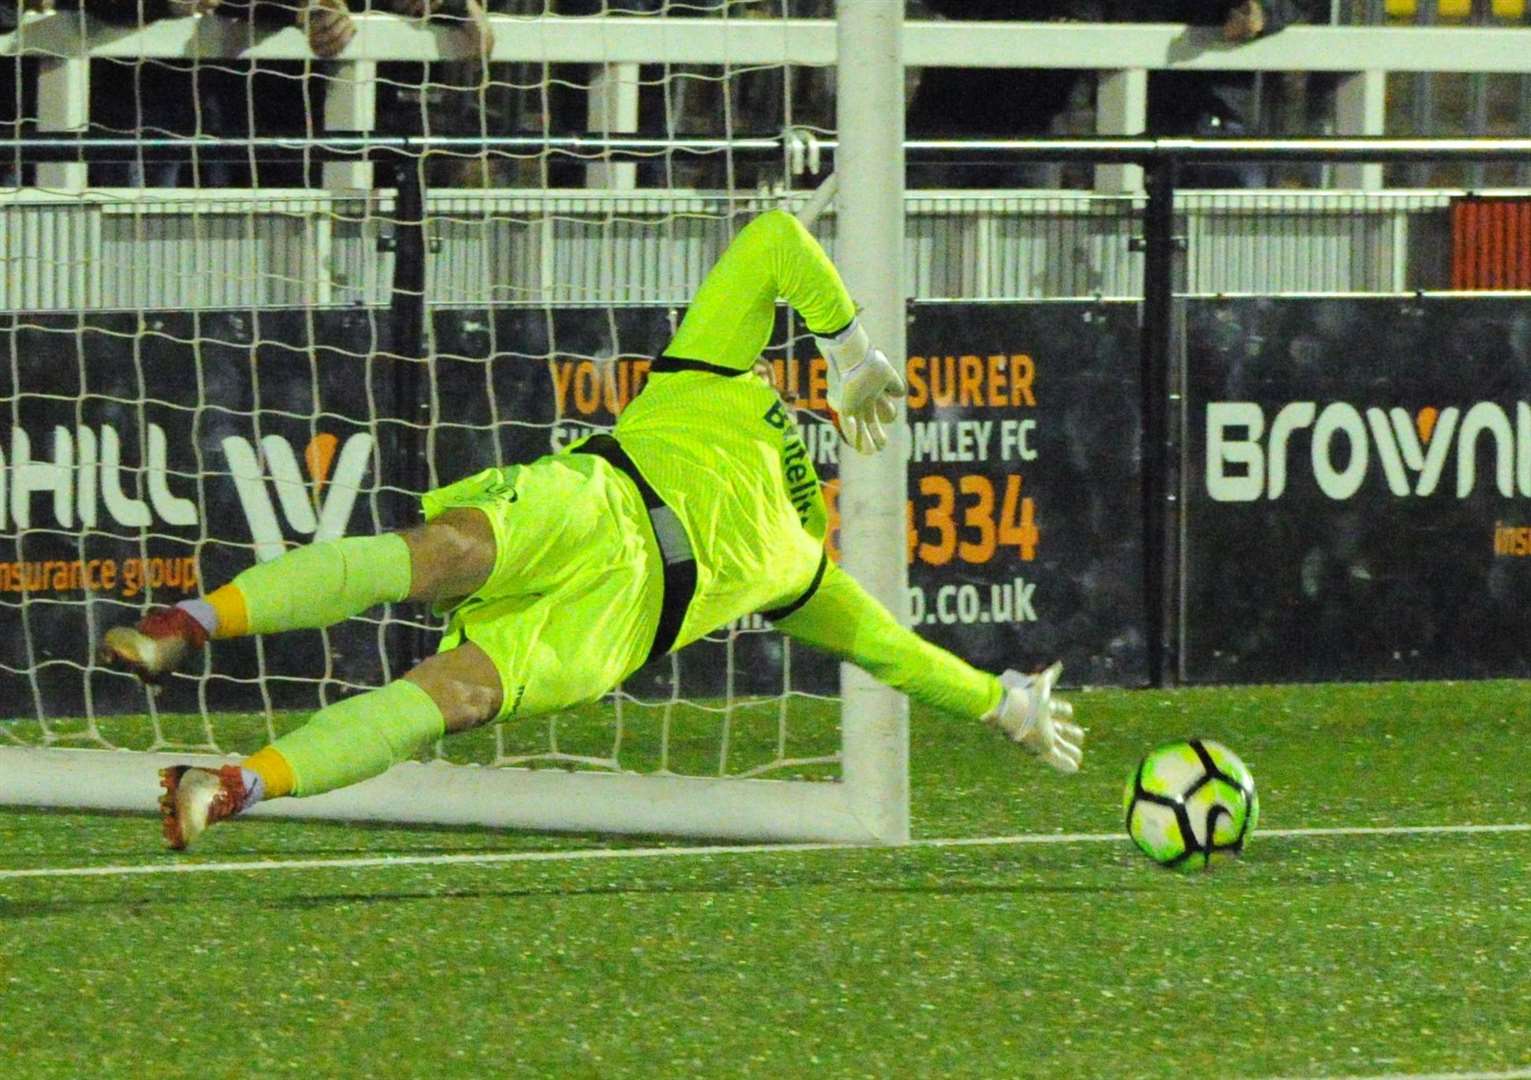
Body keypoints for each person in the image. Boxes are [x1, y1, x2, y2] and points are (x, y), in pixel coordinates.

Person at [100, 209, 1084, 850]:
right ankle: (183, 624)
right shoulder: (714, 379)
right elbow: (776, 239)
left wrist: (1004, 705)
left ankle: (230, 784)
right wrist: (847, 345)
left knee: (449, 694)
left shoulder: (803, 574)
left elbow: (899, 655)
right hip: (595, 500)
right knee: (439, 553)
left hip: (615, 626)